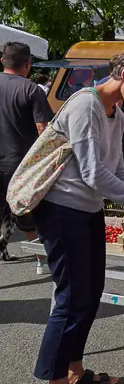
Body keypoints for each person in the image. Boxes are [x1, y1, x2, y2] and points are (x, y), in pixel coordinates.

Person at [35, 49, 124, 384]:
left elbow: (116, 171)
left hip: (87, 209)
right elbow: (93, 172)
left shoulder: (117, 114)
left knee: (91, 294)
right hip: (62, 209)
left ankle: (74, 369)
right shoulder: (84, 106)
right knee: (72, 297)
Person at [0, 42, 54, 262]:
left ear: (2, 61)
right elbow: (45, 131)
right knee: (27, 214)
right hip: (19, 166)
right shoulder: (31, 89)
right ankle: (42, 260)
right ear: (28, 64)